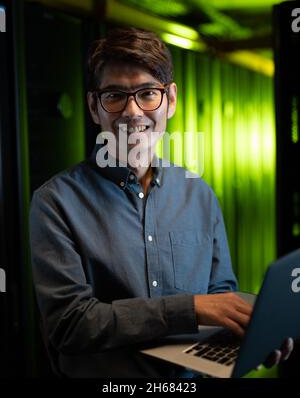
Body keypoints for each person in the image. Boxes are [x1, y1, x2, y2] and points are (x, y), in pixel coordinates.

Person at [29, 27, 293, 378]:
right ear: (94, 107)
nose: (132, 111)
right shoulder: (55, 202)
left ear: (170, 100)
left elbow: (219, 296)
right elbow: (70, 324)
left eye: (147, 93)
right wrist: (190, 309)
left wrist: (250, 331)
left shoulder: (199, 194)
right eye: (114, 96)